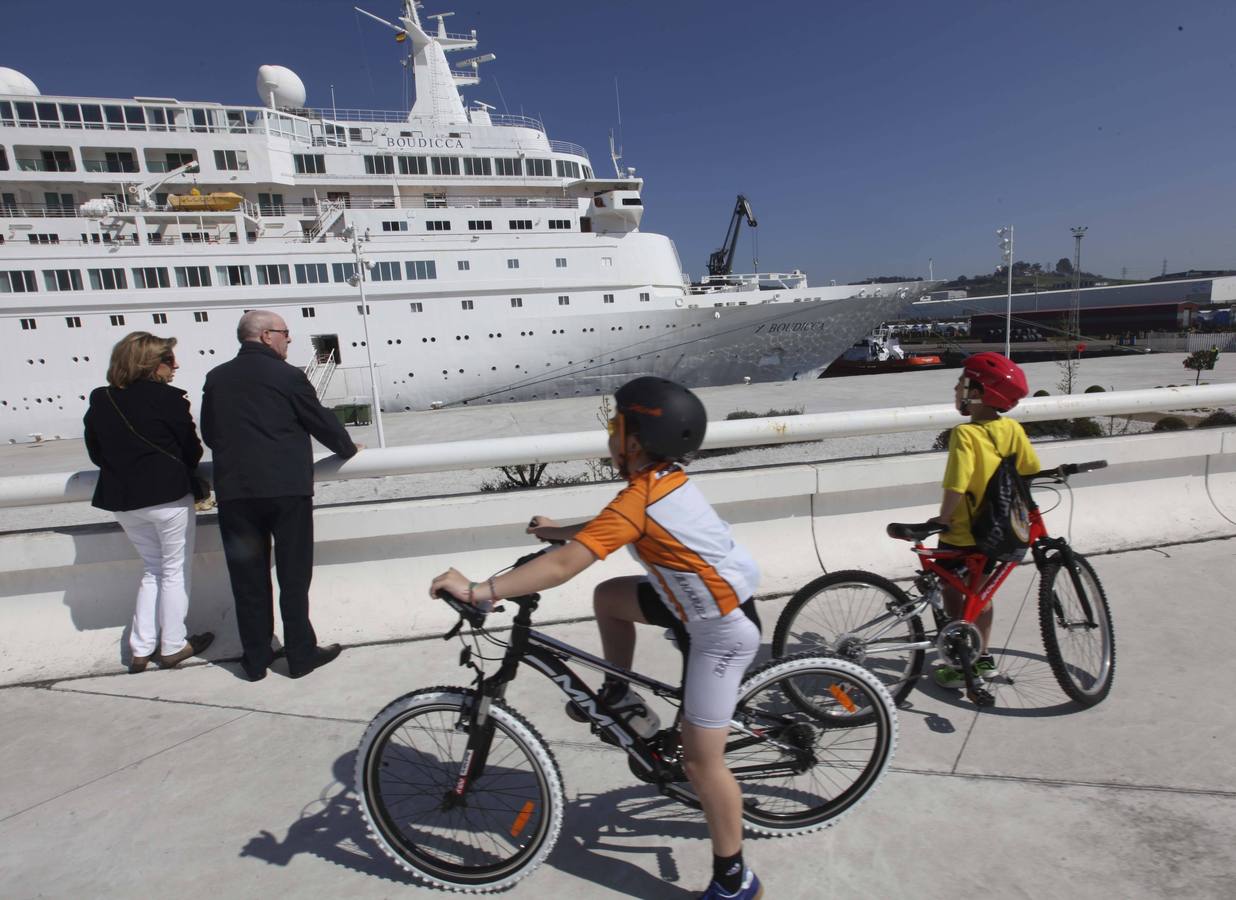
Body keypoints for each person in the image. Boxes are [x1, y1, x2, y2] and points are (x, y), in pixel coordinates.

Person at [430, 377, 764, 900]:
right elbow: (611, 526)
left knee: (702, 762)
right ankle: (619, 694)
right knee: (610, 597)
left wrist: (480, 591)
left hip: (721, 630)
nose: (610, 433)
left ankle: (734, 879)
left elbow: (565, 567)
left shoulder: (642, 495)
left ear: (635, 441)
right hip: (693, 601)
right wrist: (562, 530)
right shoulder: (658, 481)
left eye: (617, 425)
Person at [201, 310, 358, 682]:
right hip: (287, 491)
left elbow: (209, 434)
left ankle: (255, 660)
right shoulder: (288, 376)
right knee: (293, 576)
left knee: (247, 578)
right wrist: (347, 449)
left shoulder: (216, 378)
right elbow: (320, 422)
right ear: (266, 335)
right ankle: (301, 655)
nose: (289, 339)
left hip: (237, 492)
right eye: (286, 333)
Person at [84, 332, 214, 673]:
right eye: (170, 360)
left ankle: (140, 649)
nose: (176, 366)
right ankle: (172, 645)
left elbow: (96, 453)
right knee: (172, 571)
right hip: (166, 496)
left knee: (152, 570)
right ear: (152, 364)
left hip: (123, 499)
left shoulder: (102, 399)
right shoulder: (168, 399)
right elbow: (192, 451)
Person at [930, 352, 1040, 689]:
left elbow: (956, 486)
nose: (957, 388)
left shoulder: (965, 436)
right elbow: (1029, 471)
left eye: (964, 384)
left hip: (960, 532)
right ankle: (981, 655)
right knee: (981, 594)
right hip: (993, 531)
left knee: (951, 586)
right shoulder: (1012, 429)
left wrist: (943, 519)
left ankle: (954, 649)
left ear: (980, 393)